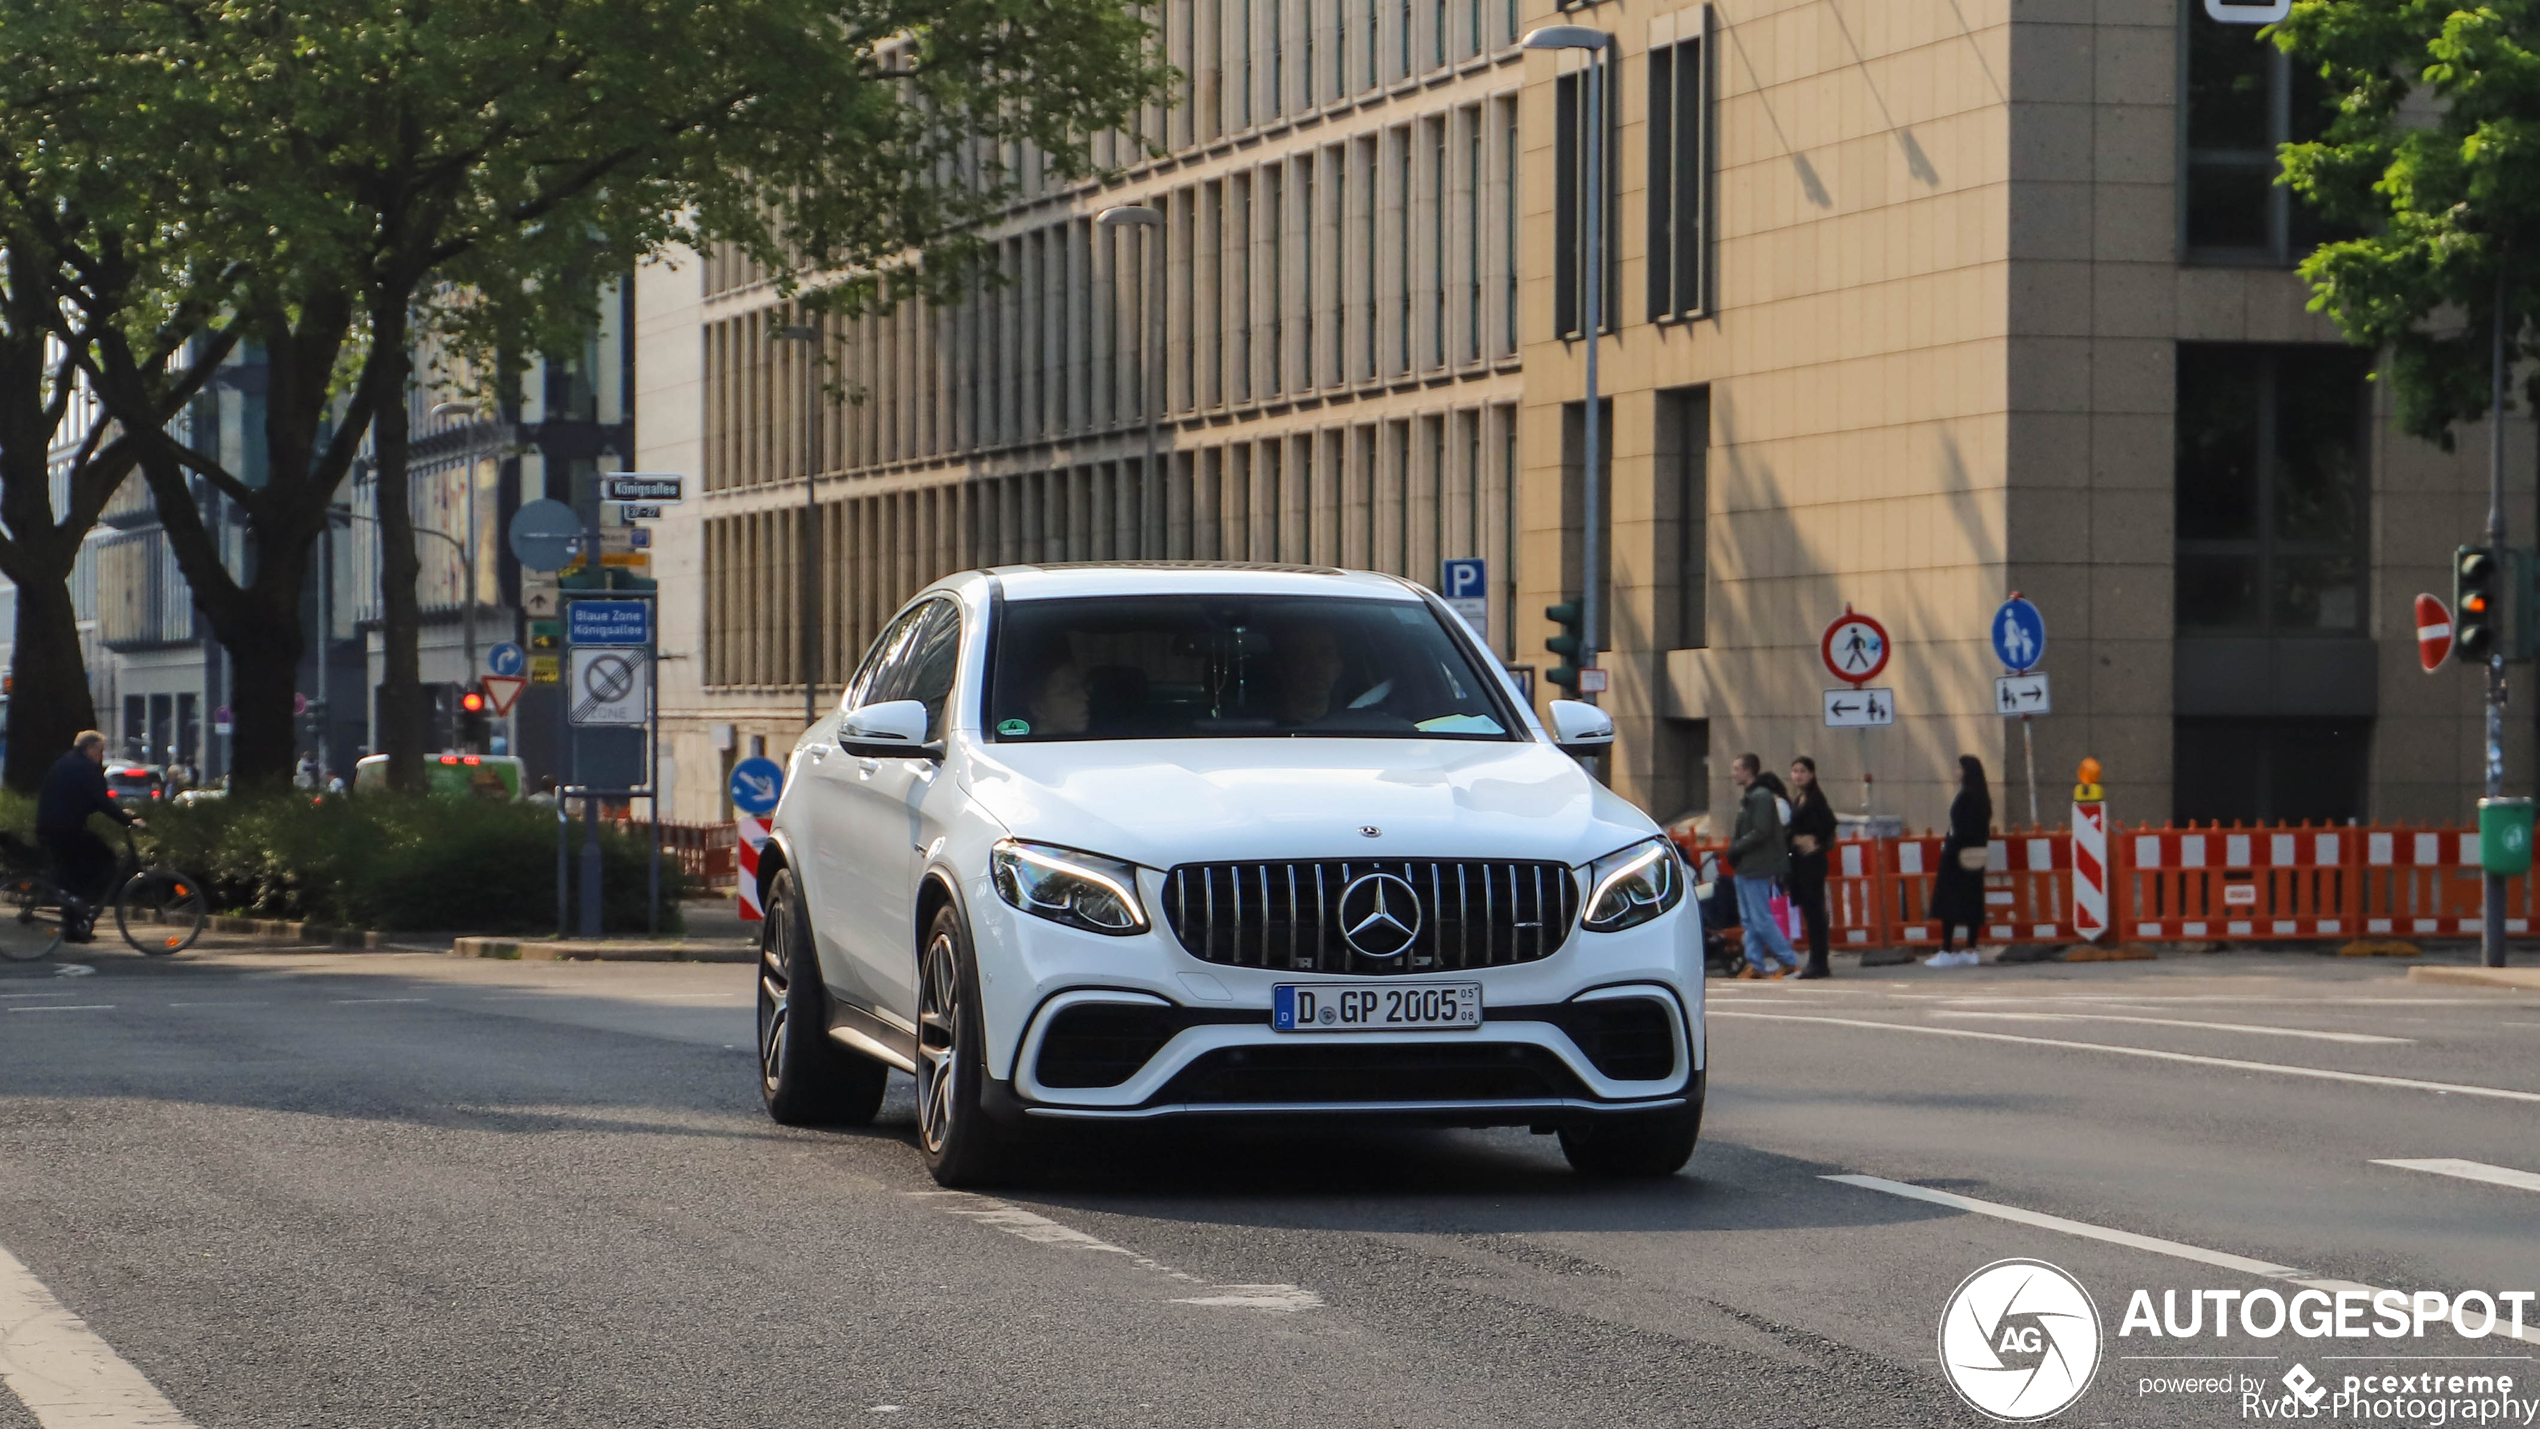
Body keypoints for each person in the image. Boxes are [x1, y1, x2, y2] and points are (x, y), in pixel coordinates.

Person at [36, 731, 143, 943]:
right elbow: (101, 800)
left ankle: (73, 926)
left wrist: (122, 814)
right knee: (105, 859)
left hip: (52, 827)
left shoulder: (68, 762)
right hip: (65, 829)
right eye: (100, 751)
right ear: (90, 749)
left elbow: (88, 800)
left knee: (72, 874)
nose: (101, 756)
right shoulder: (84, 768)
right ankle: (68, 898)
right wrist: (128, 821)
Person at [1724, 753, 1800, 979]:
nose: (1734, 773)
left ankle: (1788, 960)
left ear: (1749, 771)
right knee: (1749, 919)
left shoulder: (1761, 797)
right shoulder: (1752, 797)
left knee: (1761, 917)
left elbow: (1761, 830)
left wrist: (1737, 847)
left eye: (1737, 768)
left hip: (1756, 863)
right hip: (1747, 864)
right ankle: (1755, 962)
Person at [1927, 754, 1994, 966]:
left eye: (1959, 768)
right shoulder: (1983, 798)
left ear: (1967, 772)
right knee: (1972, 901)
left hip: (1956, 856)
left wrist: (1950, 844)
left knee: (1949, 902)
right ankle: (1970, 948)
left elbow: (1960, 828)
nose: (1957, 772)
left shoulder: (1965, 797)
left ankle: (1946, 949)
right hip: (1975, 857)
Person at [1786, 756, 1838, 979]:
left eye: (1803, 771)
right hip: (1799, 862)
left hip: (1812, 864)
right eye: (1795, 771)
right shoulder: (1798, 799)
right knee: (1810, 912)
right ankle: (1816, 959)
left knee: (1815, 912)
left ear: (1812, 774)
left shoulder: (1816, 798)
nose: (1798, 775)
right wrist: (1795, 839)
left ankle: (1819, 961)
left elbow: (1829, 825)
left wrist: (1816, 841)